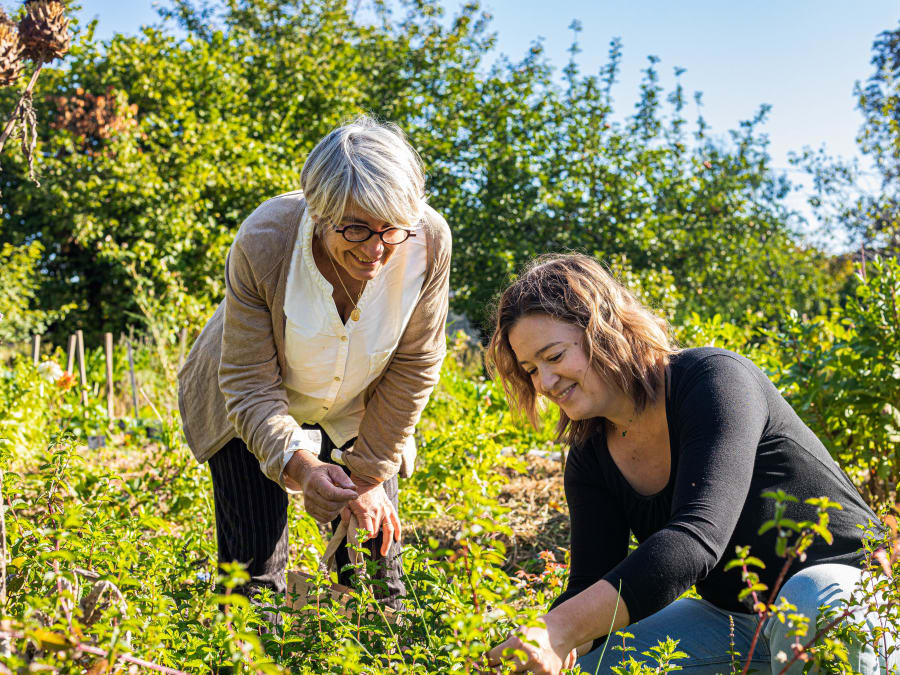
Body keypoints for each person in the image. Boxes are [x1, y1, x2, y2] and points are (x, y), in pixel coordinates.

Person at [484, 253, 892, 674]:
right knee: (595, 665)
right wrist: (530, 646)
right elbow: (590, 584)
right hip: (734, 620)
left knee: (808, 597)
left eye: (553, 357)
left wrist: (558, 629)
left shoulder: (713, 379)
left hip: (852, 596)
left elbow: (696, 538)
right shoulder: (590, 455)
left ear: (604, 330)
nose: (545, 384)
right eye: (531, 370)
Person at [178, 115, 451, 608]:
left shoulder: (427, 243)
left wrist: (367, 476)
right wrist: (302, 467)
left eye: (391, 229)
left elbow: (416, 362)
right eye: (356, 228)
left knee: (374, 568)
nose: (376, 249)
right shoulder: (266, 240)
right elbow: (247, 380)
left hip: (359, 404)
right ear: (318, 212)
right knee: (253, 573)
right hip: (253, 401)